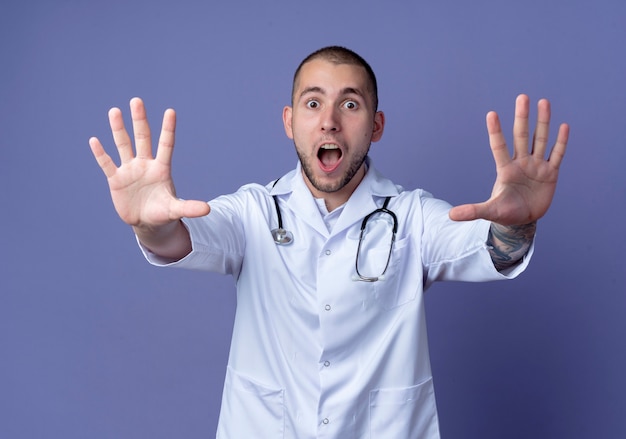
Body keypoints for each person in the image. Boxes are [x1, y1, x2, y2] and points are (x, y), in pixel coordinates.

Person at [89, 46, 569, 438]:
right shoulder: (254, 211)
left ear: (376, 125)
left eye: (351, 104)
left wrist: (517, 223)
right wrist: (147, 224)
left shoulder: (412, 216)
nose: (330, 121)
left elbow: (488, 249)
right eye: (313, 103)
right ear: (289, 121)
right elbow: (179, 238)